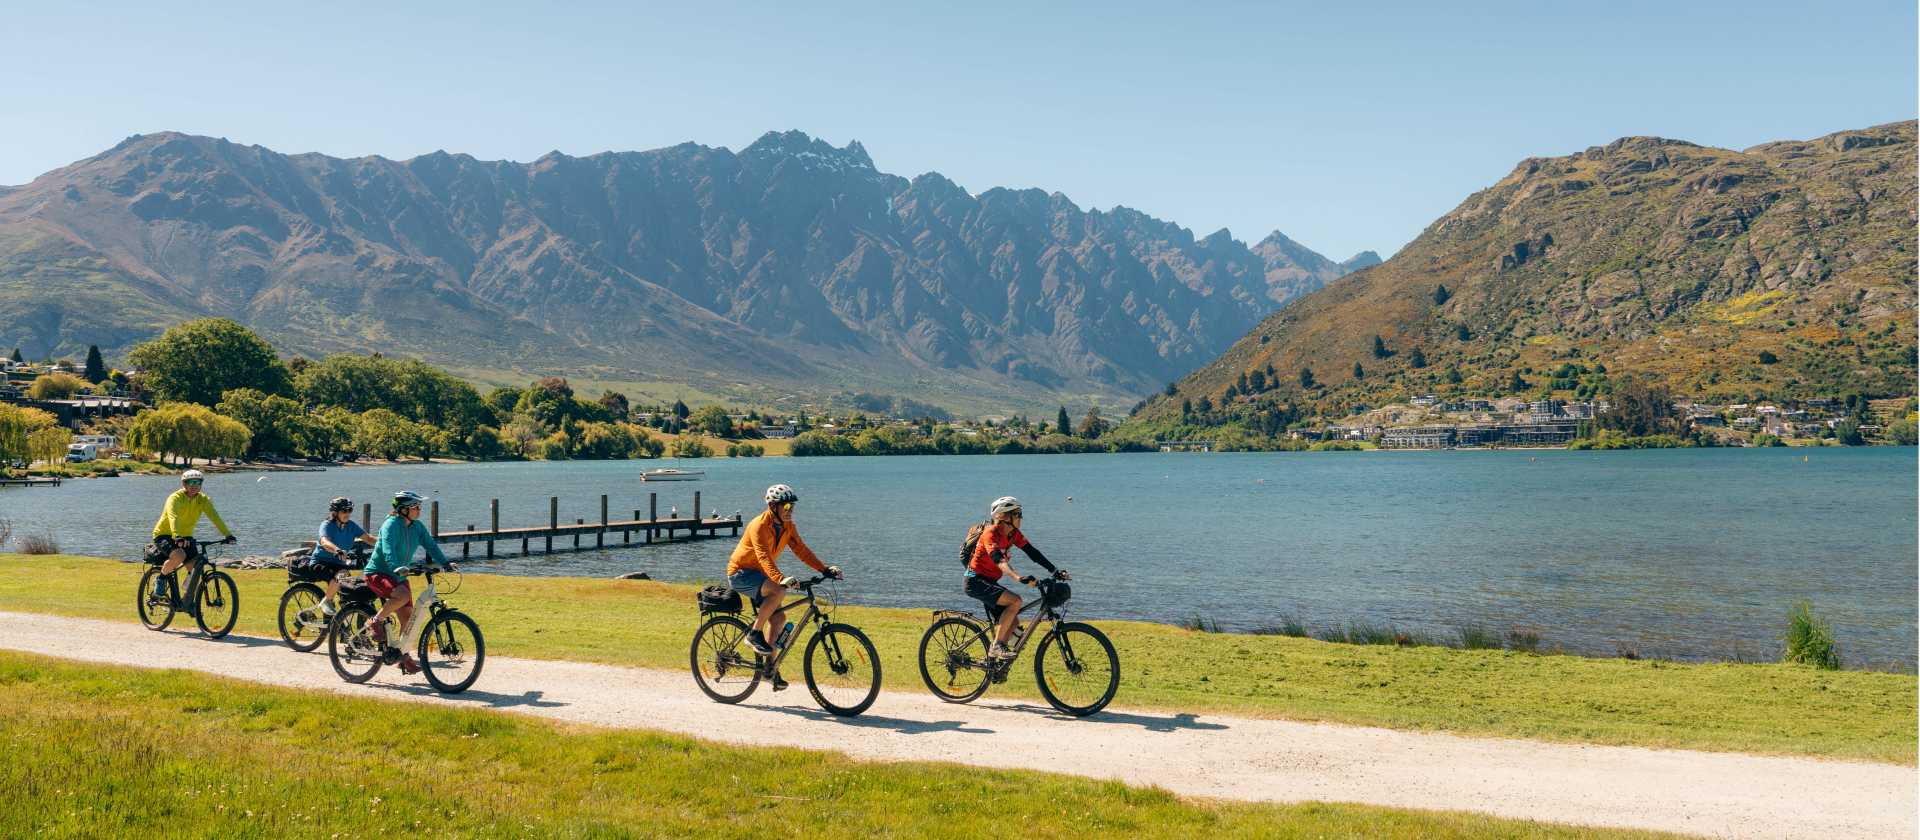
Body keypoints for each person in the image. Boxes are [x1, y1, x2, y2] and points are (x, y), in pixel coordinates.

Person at [725, 484, 840, 690]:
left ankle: (770, 670)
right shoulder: (758, 525)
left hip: (759, 574)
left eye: (792, 506)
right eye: (786, 506)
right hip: (741, 573)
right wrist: (780, 578)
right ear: (772, 506)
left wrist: (824, 569)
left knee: (779, 619)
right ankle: (754, 633)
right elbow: (763, 556)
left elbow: (802, 550)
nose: (790, 510)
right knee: (779, 590)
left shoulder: (787, 526)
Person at [966, 496, 1069, 659]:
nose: (1021, 517)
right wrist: (1017, 577)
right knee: (1015, 601)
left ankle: (994, 665)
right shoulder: (990, 534)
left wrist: (1054, 570)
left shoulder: (1013, 534)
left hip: (990, 581)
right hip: (975, 582)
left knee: (1012, 624)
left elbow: (1032, 552)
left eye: (1020, 513)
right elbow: (998, 560)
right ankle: (997, 647)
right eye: (1017, 514)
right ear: (1004, 516)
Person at [362, 490, 450, 675]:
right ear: (403, 510)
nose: (419, 510)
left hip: (399, 575)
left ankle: (403, 656)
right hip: (378, 572)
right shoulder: (390, 525)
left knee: (409, 619)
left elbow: (431, 545)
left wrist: (446, 563)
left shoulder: (417, 527)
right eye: (416, 507)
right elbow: (387, 549)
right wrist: (396, 566)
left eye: (419, 507)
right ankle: (375, 621)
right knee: (402, 596)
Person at [147, 469, 236, 601]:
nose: (194, 485)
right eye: (191, 482)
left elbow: (215, 517)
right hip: (164, 534)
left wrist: (228, 535)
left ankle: (186, 600)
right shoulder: (175, 498)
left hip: (185, 536)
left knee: (195, 568)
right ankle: (161, 579)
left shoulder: (203, 500)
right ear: (184, 484)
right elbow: (173, 517)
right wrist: (177, 536)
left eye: (198, 482)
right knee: (179, 555)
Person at [308, 497, 375, 617]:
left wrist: (387, 543)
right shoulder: (327, 525)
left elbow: (369, 539)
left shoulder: (351, 526)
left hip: (338, 565)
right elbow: (324, 541)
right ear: (335, 512)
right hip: (320, 563)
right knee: (342, 574)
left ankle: (337, 623)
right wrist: (337, 550)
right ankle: (326, 601)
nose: (348, 513)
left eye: (350, 510)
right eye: (344, 511)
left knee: (350, 589)